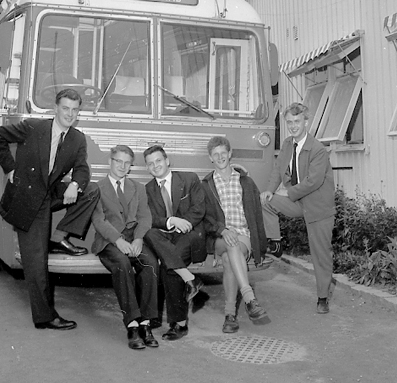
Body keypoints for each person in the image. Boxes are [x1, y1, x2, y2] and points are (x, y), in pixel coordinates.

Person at [0, 88, 100, 329]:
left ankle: (58, 237)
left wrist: (75, 185)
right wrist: (10, 168)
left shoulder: (77, 139)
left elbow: (82, 168)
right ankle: (45, 317)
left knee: (91, 190)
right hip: (28, 199)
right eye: (65, 108)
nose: (70, 114)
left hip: (49, 193)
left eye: (75, 110)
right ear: (55, 109)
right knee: (37, 263)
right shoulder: (33, 127)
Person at [260, 102, 336, 314]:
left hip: (318, 207)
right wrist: (269, 190)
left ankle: (322, 298)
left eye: (297, 121)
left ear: (306, 122)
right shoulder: (287, 144)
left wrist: (288, 192)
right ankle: (275, 242)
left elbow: (313, 181)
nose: (293, 126)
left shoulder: (318, 149)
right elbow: (278, 169)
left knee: (321, 254)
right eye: (289, 122)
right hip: (298, 202)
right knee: (264, 202)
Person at [90, 145, 160, 350]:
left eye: (127, 163)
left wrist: (138, 239)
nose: (122, 166)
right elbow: (99, 220)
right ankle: (132, 325)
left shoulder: (138, 188)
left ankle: (145, 323)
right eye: (118, 161)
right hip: (109, 241)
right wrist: (118, 240)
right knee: (122, 264)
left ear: (131, 166)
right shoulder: (96, 188)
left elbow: (145, 217)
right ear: (109, 162)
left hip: (133, 239)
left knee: (150, 263)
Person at [202, 136, 269, 333]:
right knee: (230, 244)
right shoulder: (206, 185)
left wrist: (261, 247)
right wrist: (222, 230)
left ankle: (230, 315)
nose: (220, 157)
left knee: (229, 258)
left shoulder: (245, 182)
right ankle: (249, 298)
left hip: (243, 236)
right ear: (210, 158)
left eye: (223, 153)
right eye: (215, 154)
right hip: (218, 237)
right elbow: (204, 217)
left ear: (230, 153)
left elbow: (256, 215)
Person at [143, 145, 207, 341]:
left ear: (167, 161)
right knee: (149, 232)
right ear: (147, 167)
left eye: (158, 161)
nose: (155, 166)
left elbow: (198, 208)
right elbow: (149, 218)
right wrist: (171, 221)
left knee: (170, 265)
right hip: (165, 236)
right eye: (150, 164)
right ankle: (191, 279)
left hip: (189, 233)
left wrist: (182, 223)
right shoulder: (147, 190)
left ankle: (179, 324)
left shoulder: (189, 179)